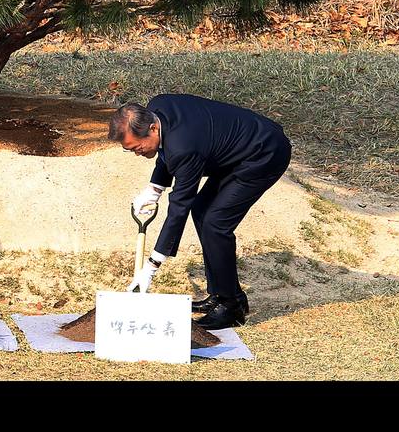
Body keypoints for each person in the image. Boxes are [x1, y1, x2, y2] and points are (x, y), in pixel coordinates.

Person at [109, 93, 291, 330]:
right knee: (203, 211)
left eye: (137, 147)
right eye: (130, 150)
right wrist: (155, 188)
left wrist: (151, 267)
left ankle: (231, 308)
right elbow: (166, 149)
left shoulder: (184, 147)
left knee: (216, 223)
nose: (137, 153)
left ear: (152, 128)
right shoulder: (158, 108)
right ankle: (223, 294)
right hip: (233, 152)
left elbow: (178, 209)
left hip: (263, 154)